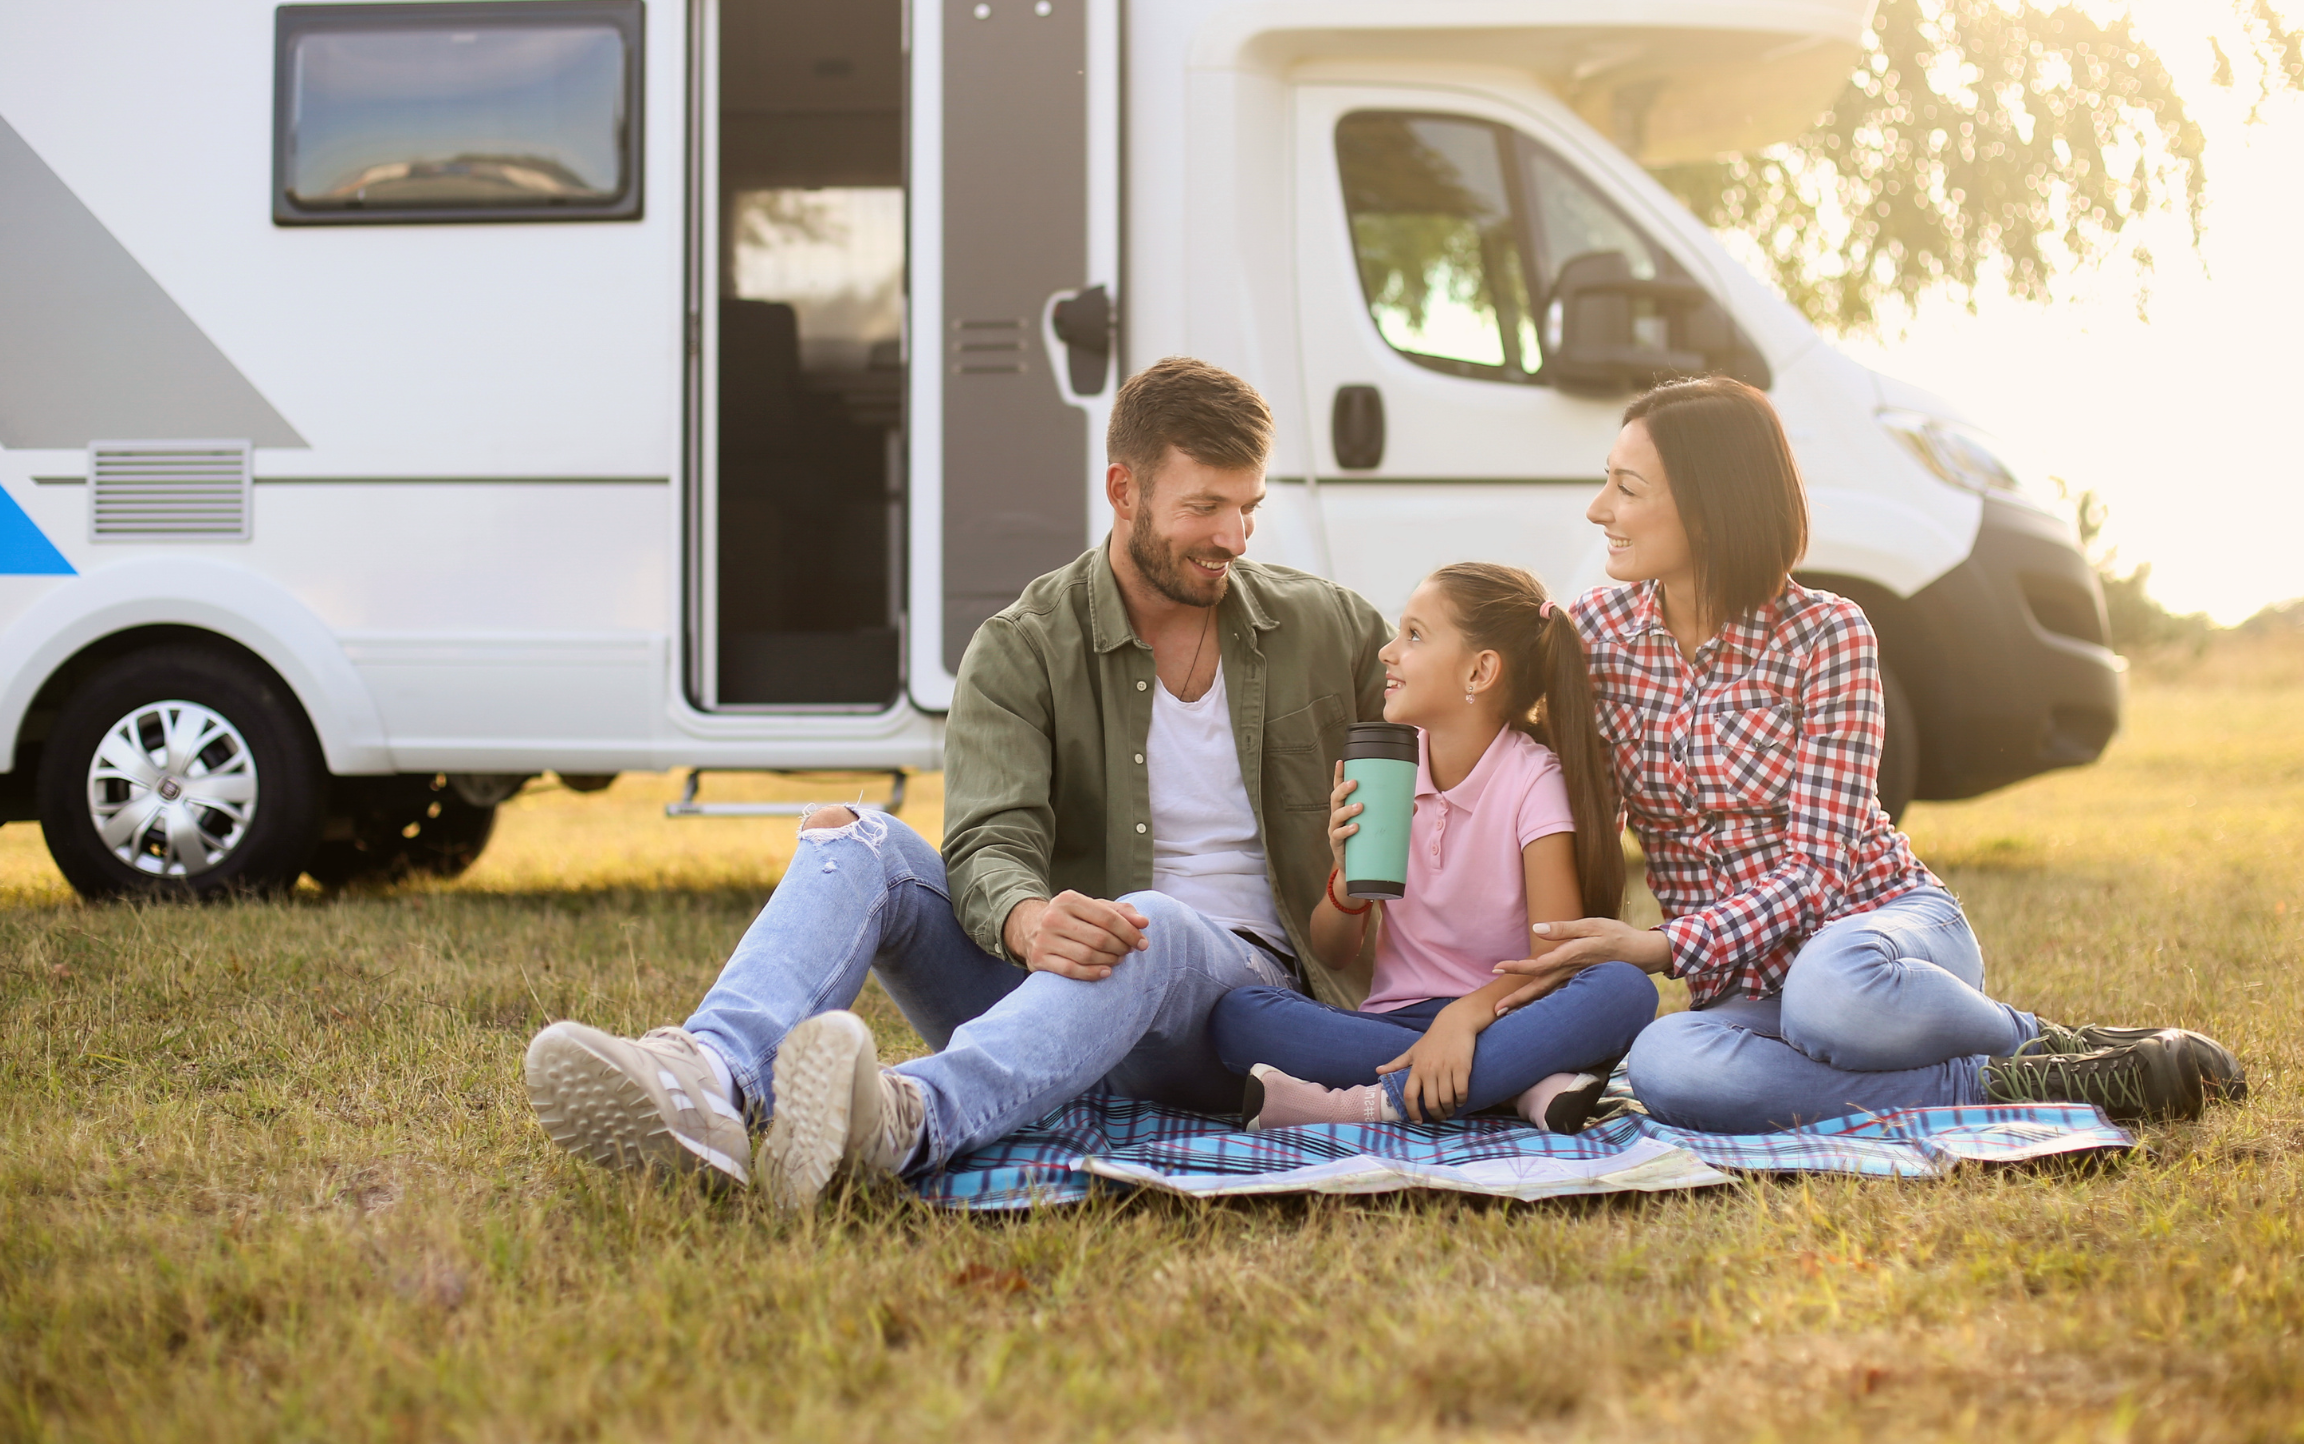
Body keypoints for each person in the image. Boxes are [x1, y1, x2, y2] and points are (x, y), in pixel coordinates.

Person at [521, 357, 1391, 1205]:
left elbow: (1457, 776)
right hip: (1055, 993)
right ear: (1124, 491)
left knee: (1149, 923)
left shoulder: (1332, 627)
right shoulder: (1023, 646)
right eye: (1204, 507)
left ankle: (907, 1120)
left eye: (1248, 508)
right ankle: (705, 1079)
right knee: (856, 834)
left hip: (1240, 1014)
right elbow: (986, 841)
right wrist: (1029, 919)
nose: (1233, 539)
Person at [1485, 376, 2244, 1133]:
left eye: (1627, 487)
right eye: (1605, 483)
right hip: (1747, 991)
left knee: (1832, 1000)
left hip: (1879, 937)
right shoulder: (1598, 636)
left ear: (1709, 507)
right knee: (1664, 1063)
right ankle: (2001, 1083)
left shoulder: (1828, 635)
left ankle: (2045, 1042)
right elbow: (1552, 795)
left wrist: (1660, 943)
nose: (1599, 508)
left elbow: (1819, 875)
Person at [1210, 563, 1657, 1131]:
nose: (1387, 653)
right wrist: (1346, 881)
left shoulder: (1532, 780)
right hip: (1395, 1023)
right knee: (1238, 1014)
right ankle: (1515, 1084)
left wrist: (1464, 1019)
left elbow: (1556, 960)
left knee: (1622, 989)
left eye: (1414, 635)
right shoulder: (1386, 770)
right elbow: (1334, 952)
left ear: (1479, 670)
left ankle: (1372, 1104)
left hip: (1508, 1010)